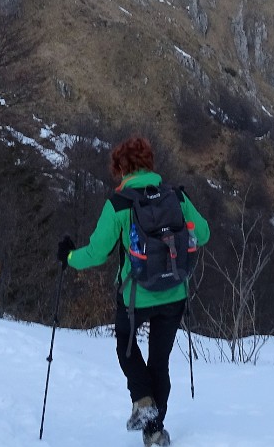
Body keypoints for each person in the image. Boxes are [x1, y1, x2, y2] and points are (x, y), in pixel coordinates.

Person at [58, 136, 210, 447]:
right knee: (159, 361)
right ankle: (154, 432)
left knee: (126, 350)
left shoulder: (118, 204)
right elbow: (204, 233)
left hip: (134, 295)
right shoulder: (176, 197)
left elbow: (97, 253)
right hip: (174, 292)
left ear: (120, 169)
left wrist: (69, 257)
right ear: (149, 163)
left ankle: (142, 401)